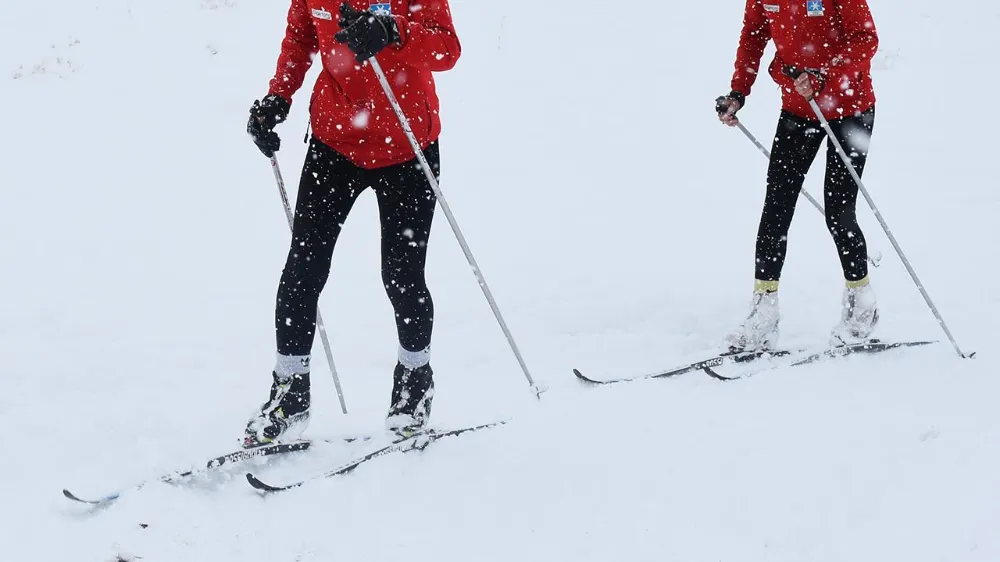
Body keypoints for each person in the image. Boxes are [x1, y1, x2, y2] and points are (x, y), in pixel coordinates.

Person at [242, 1, 461, 447]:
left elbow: (447, 49)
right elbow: (301, 37)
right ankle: (290, 394)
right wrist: (278, 98)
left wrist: (394, 31)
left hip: (406, 146)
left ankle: (414, 383)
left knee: (401, 276)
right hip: (334, 144)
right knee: (302, 272)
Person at [716, 0, 880, 352]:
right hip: (797, 108)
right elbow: (754, 36)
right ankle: (763, 312)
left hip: (850, 108)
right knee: (776, 207)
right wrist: (738, 92)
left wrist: (825, 73)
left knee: (839, 212)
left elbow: (866, 39)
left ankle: (861, 307)